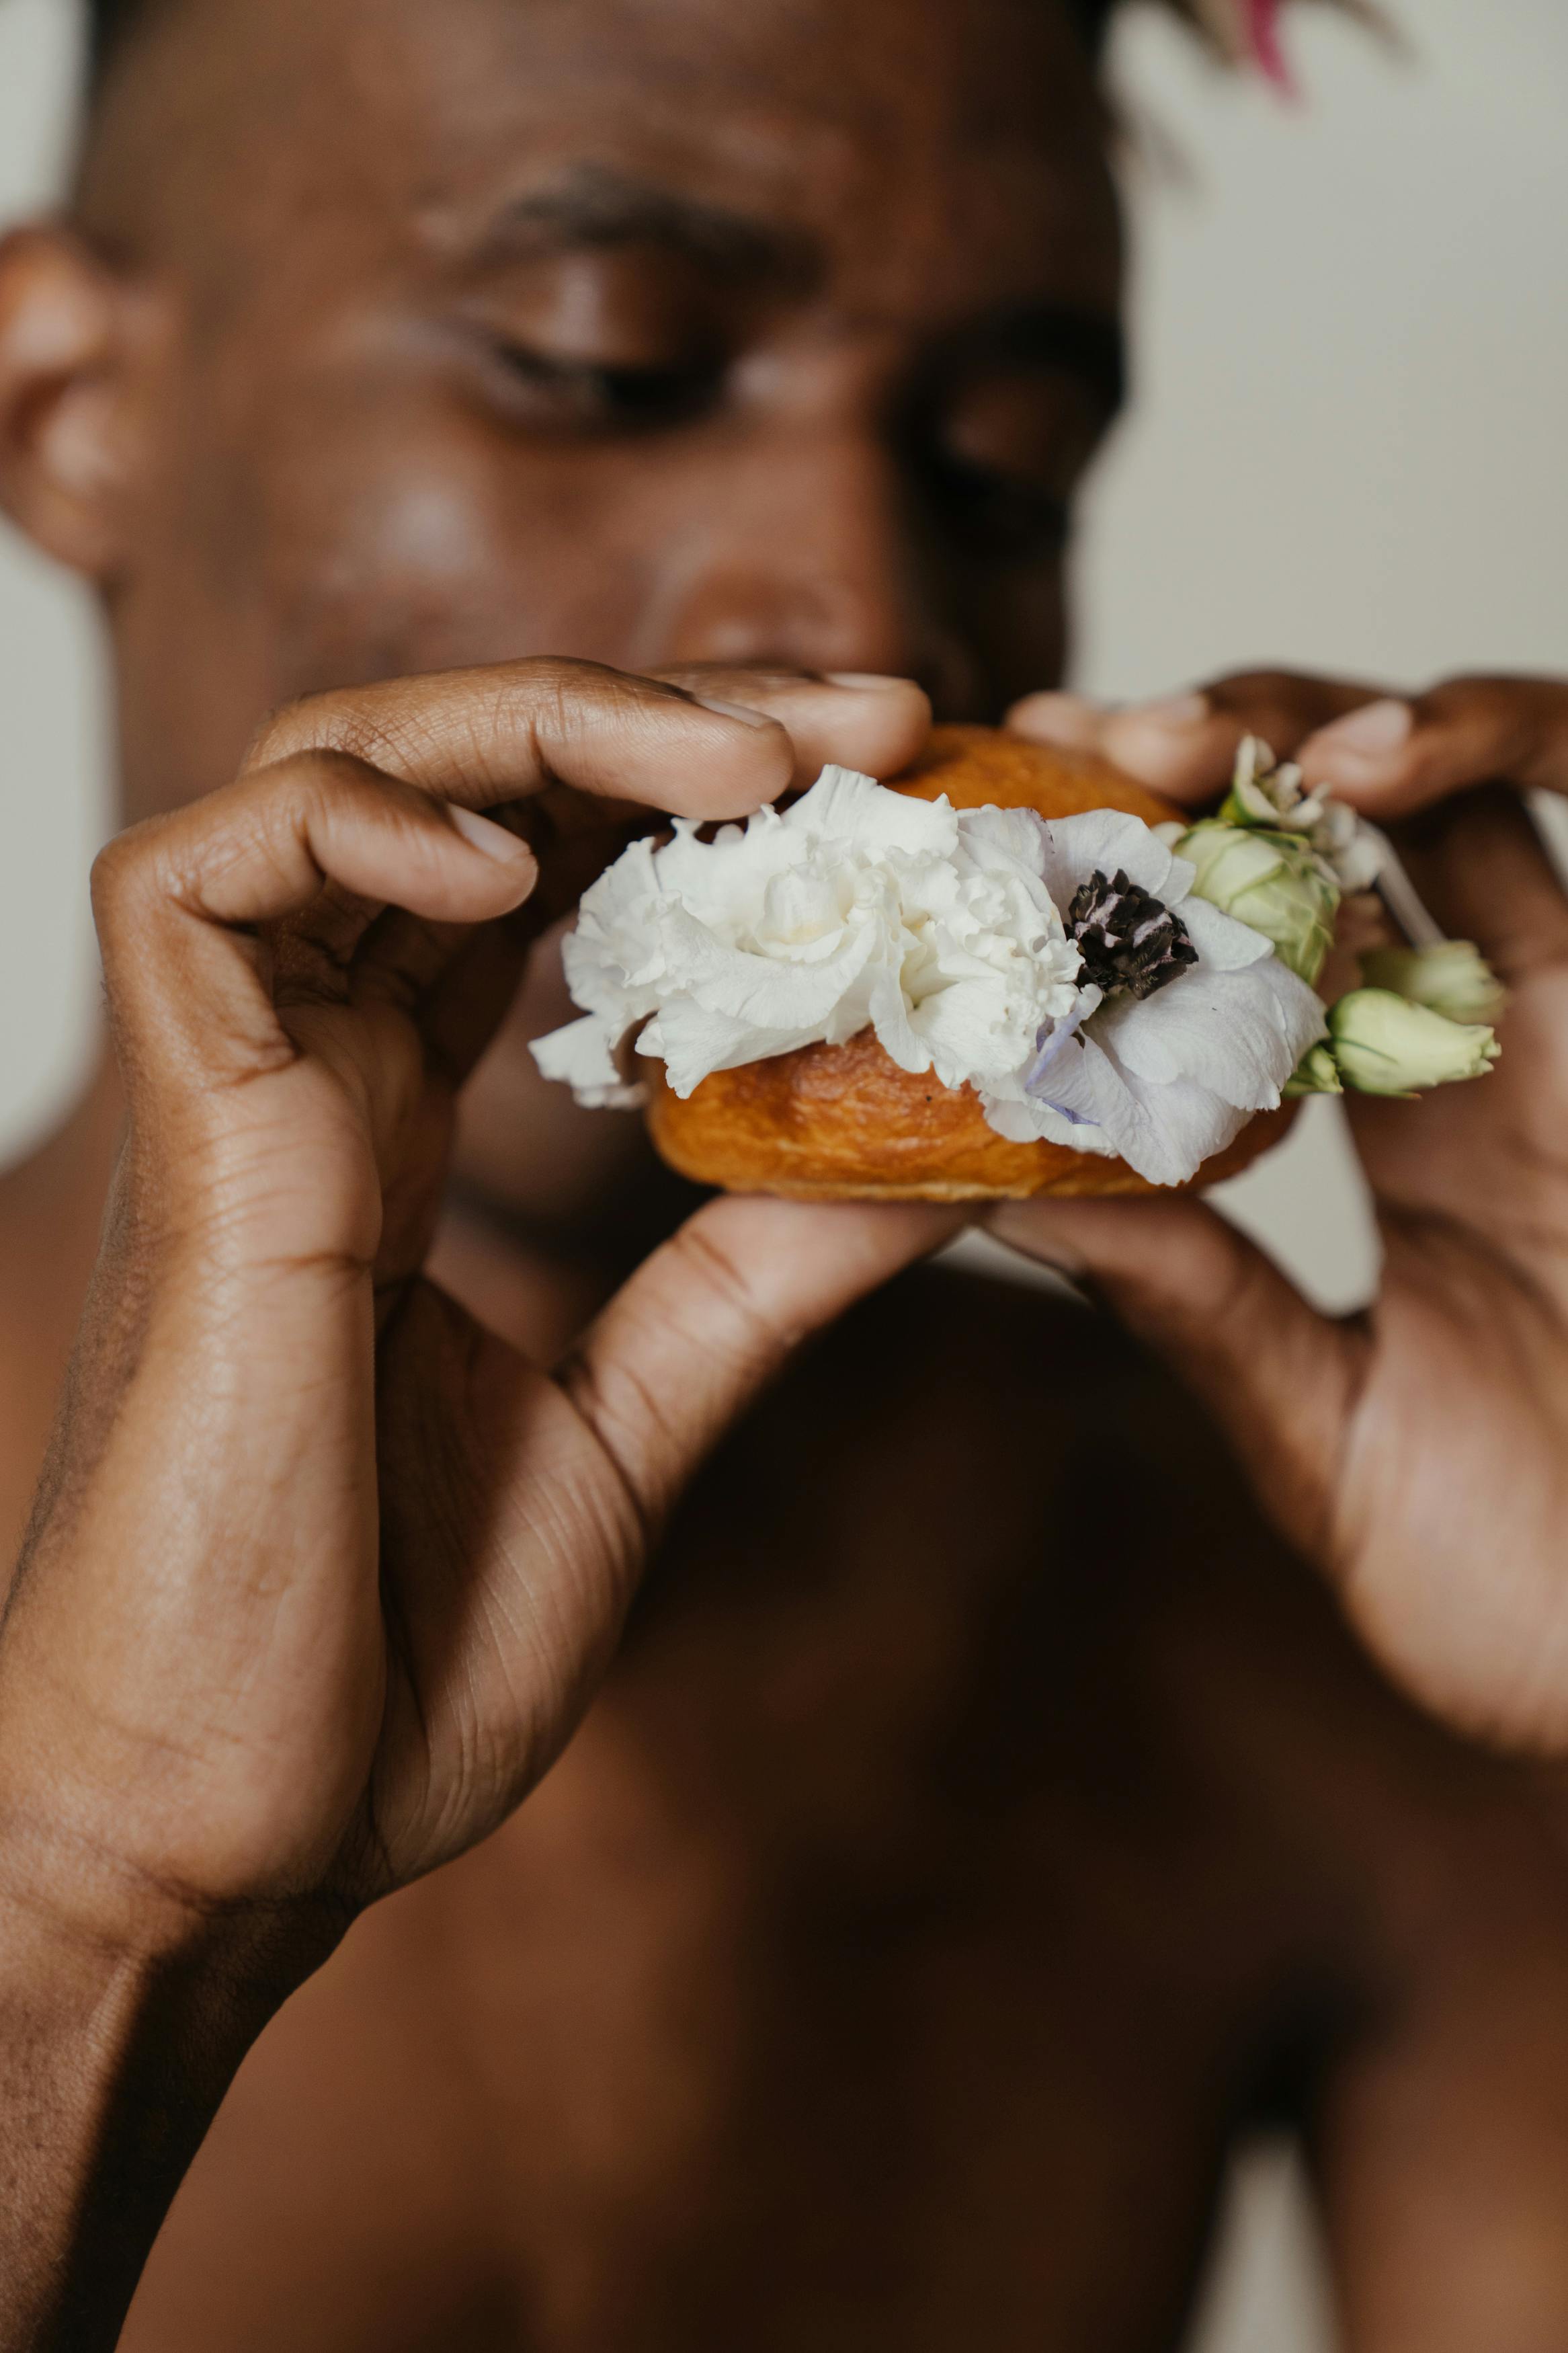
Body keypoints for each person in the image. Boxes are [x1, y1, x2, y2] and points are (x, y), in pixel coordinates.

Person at [1, 0, 1568, 2346]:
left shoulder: (1278, 1606)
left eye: (1006, 470)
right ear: (68, 408)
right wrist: (86, 1911)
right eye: (607, 362)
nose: (861, 618)